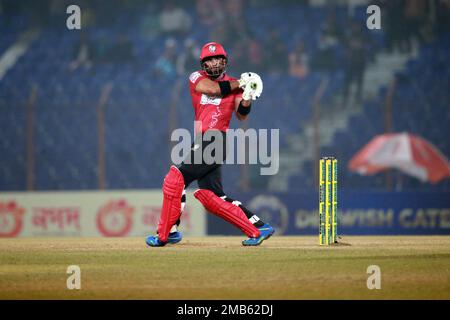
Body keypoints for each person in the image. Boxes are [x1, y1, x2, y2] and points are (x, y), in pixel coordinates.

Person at [146, 42, 274, 247]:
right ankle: (258, 228)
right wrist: (242, 82)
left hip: (215, 140)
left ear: (224, 61)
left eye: (217, 59)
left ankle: (165, 234)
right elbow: (213, 90)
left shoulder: (235, 84)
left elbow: (241, 115)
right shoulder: (196, 78)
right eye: (209, 60)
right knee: (213, 198)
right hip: (204, 141)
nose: (214, 63)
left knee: (174, 179)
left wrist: (248, 96)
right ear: (203, 64)